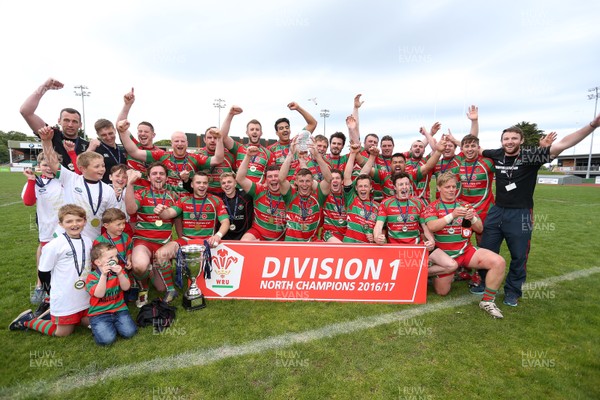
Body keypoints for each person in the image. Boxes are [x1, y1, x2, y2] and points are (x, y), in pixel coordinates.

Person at [476, 117, 600, 307]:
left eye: (514, 138)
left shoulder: (530, 156)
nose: (509, 142)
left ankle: (512, 291)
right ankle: (486, 283)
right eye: (506, 139)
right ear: (502, 141)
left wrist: (592, 126)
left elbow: (564, 144)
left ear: (522, 140)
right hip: (497, 211)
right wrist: (457, 137)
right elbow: (474, 147)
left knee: (519, 256)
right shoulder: (496, 154)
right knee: (486, 251)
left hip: (520, 213)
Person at [422, 172, 506, 318]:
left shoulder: (465, 205)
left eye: (454, 186)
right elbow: (432, 226)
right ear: (439, 188)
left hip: (465, 251)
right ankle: (437, 273)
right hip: (444, 255)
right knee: (442, 292)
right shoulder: (432, 207)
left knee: (498, 262)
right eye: (447, 187)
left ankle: (487, 301)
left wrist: (472, 218)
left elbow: (480, 229)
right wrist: (452, 216)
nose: (451, 190)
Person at [9, 204, 92, 335]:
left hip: (84, 295)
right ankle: (27, 321)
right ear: (61, 224)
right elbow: (43, 272)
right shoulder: (54, 245)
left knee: (92, 323)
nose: (74, 224)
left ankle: (73, 318)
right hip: (65, 297)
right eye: (69, 221)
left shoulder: (88, 241)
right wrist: (51, 292)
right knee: (63, 333)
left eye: (79, 220)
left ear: (85, 221)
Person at [373, 172, 459, 296]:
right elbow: (379, 225)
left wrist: (431, 241)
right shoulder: (386, 203)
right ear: (395, 187)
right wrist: (377, 237)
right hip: (397, 249)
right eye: (401, 184)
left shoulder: (418, 203)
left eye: (407, 184)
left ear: (410, 186)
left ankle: (416, 272)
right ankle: (409, 274)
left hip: (418, 247)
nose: (404, 187)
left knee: (451, 265)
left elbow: (425, 227)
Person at [39, 127, 118, 242]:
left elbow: (111, 216)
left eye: (103, 165)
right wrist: (46, 142)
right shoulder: (71, 179)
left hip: (92, 238)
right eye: (97, 166)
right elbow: (53, 162)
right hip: (66, 236)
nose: (102, 169)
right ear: (83, 168)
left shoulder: (108, 190)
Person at [117, 120, 224, 193]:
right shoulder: (161, 155)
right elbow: (134, 152)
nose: (180, 144)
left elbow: (218, 159)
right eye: (176, 141)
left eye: (182, 141)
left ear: (187, 143)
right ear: (171, 144)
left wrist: (219, 139)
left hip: (187, 198)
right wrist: (122, 132)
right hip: (166, 197)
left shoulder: (195, 157)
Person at [124, 164, 179, 307]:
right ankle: (143, 287)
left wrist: (180, 239)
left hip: (164, 241)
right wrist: (130, 184)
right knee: (140, 266)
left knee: (161, 288)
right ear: (148, 177)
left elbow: (177, 218)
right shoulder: (141, 193)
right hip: (143, 241)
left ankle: (161, 277)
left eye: (161, 173)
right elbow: (130, 210)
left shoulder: (174, 195)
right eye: (154, 173)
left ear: (166, 177)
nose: (158, 176)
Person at [21, 152, 65, 305]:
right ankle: (41, 285)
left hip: (67, 227)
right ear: (39, 166)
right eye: (45, 165)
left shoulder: (64, 180)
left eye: (51, 164)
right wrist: (32, 180)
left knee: (64, 259)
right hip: (47, 229)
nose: (48, 168)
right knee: (46, 259)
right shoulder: (36, 182)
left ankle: (62, 288)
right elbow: (28, 202)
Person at [20, 78, 89, 171]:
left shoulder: (87, 145)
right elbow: (25, 111)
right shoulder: (51, 134)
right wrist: (44, 87)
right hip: (55, 183)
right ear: (59, 121)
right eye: (66, 120)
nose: (70, 124)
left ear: (80, 125)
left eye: (74, 121)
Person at [278, 138, 332, 241]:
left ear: (312, 182)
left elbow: (329, 179)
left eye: (307, 181)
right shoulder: (290, 195)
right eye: (301, 181)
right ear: (296, 182)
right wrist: (290, 154)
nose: (304, 184)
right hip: (291, 245)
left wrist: (317, 156)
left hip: (311, 246)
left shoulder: (318, 197)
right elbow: (281, 179)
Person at [86, 242, 137, 346]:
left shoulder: (119, 271)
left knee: (130, 333)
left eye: (116, 256)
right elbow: (99, 294)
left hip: (119, 309)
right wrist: (104, 275)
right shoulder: (92, 277)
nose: (115, 259)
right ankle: (98, 327)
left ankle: (112, 326)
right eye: (111, 257)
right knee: (107, 340)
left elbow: (126, 287)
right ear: (98, 262)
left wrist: (120, 274)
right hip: (99, 313)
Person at [236, 148, 286, 241]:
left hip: (280, 237)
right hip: (258, 234)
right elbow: (240, 179)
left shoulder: (288, 193)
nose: (273, 179)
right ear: (266, 180)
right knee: (244, 242)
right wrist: (248, 156)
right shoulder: (259, 190)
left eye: (276, 176)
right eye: (270, 176)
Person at [117, 88, 159, 189]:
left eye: (146, 132)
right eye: (140, 131)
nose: (142, 134)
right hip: (131, 191)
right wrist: (127, 105)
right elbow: (120, 126)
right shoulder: (132, 144)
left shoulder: (159, 153)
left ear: (153, 135)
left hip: (150, 194)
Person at [221, 106, 275, 183]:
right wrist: (230, 115)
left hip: (257, 192)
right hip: (240, 190)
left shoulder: (268, 154)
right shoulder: (239, 148)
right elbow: (223, 137)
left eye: (257, 129)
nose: (254, 132)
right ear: (247, 133)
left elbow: (271, 175)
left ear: (261, 133)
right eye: (252, 129)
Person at [342, 143, 379, 243]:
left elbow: (381, 230)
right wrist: (353, 154)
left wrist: (375, 236)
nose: (363, 189)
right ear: (356, 188)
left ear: (371, 187)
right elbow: (347, 177)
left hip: (367, 250)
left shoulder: (377, 207)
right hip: (349, 247)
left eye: (366, 186)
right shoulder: (351, 198)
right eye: (360, 186)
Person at [268, 101, 318, 166]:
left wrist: (298, 108)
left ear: (290, 130)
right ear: (277, 133)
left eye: (287, 127)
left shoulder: (297, 141)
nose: (285, 130)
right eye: (281, 128)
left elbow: (312, 123)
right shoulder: (270, 149)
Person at [196, 126, 236, 195]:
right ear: (204, 139)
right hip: (203, 195)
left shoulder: (229, 156)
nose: (212, 140)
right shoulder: (197, 155)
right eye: (209, 137)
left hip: (224, 196)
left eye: (215, 137)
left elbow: (238, 176)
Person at [86, 119, 127, 184]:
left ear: (115, 130)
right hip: (103, 188)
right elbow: (83, 165)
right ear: (98, 134)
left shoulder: (122, 149)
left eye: (110, 133)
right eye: (104, 135)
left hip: (122, 187)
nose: (108, 137)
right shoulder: (95, 148)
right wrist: (90, 149)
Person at [217, 172, 254, 240]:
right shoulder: (218, 198)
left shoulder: (246, 196)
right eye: (223, 183)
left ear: (235, 183)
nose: (226, 185)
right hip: (224, 238)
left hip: (244, 237)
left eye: (229, 182)